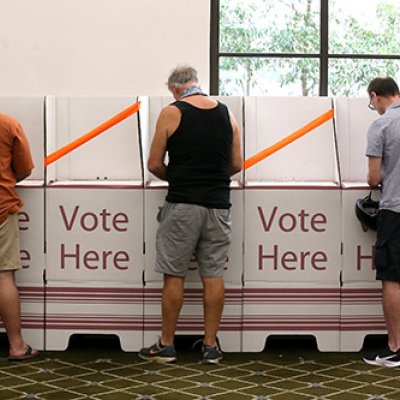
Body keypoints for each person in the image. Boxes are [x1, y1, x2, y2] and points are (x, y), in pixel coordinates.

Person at [139, 65, 242, 364]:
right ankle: (210, 346)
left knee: (174, 275)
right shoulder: (227, 114)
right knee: (214, 275)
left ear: (175, 89)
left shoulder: (172, 112)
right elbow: (236, 164)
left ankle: (167, 345)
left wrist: (180, 177)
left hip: (183, 204)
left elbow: (154, 163)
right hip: (218, 205)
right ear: (196, 84)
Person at [363, 77, 400, 367]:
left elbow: (374, 178)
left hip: (396, 210)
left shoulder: (381, 125)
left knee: (392, 278)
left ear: (375, 96)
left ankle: (395, 347)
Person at [0, 112, 39, 361]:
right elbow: (24, 169)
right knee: (4, 276)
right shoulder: (8, 123)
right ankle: (16, 345)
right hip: (1, 207)